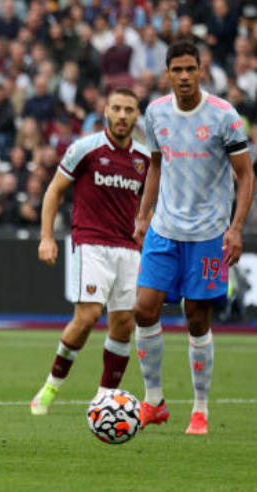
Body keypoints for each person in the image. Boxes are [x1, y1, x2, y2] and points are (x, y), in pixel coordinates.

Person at [134, 41, 254, 435]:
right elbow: (155, 164)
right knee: (143, 310)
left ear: (201, 71)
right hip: (164, 230)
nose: (184, 76)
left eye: (190, 69)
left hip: (207, 234)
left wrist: (235, 228)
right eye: (177, 70)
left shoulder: (224, 116)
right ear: (168, 73)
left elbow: (245, 175)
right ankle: (154, 402)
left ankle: (200, 408)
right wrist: (143, 214)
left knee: (196, 320)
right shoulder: (155, 113)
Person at [30, 88, 150, 415]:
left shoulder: (145, 159)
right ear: (106, 111)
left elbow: (151, 204)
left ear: (137, 114)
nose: (122, 115)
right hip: (90, 243)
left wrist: (146, 226)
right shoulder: (85, 149)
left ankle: (105, 400)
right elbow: (54, 191)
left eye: (129, 109)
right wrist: (47, 237)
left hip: (128, 248)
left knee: (124, 323)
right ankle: (51, 386)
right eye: (117, 108)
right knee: (87, 317)